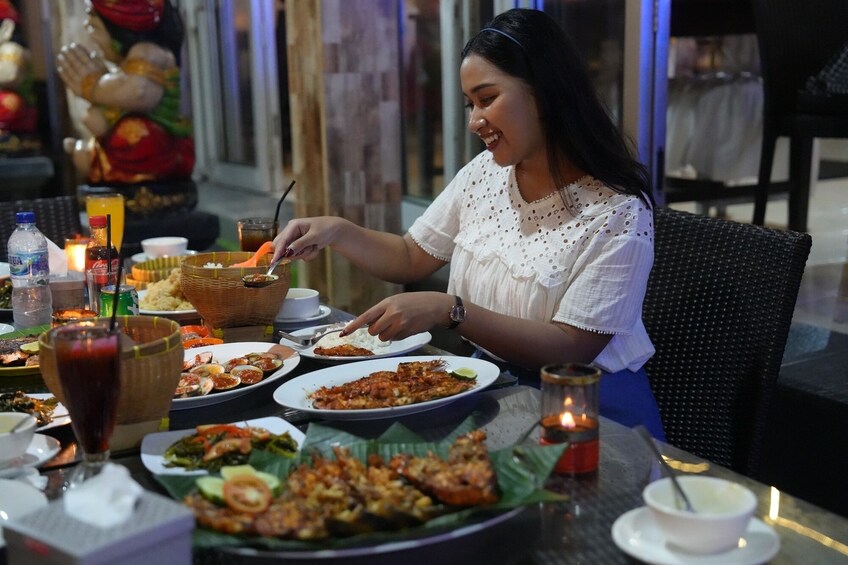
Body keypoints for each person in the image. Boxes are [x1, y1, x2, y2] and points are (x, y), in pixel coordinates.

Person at [272, 8, 665, 439]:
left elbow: (571, 347)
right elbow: (410, 256)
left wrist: (449, 309)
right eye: (470, 104)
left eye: (487, 99)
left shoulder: (618, 211)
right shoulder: (485, 175)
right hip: (492, 391)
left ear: (545, 93)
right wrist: (337, 230)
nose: (475, 121)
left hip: (586, 413)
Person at [56, 0, 194, 185]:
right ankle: (90, 154)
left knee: (135, 132)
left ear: (119, 31)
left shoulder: (147, 51)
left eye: (95, 28)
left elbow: (139, 92)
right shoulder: (126, 65)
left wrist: (92, 85)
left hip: (160, 143)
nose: (91, 35)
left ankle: (96, 159)